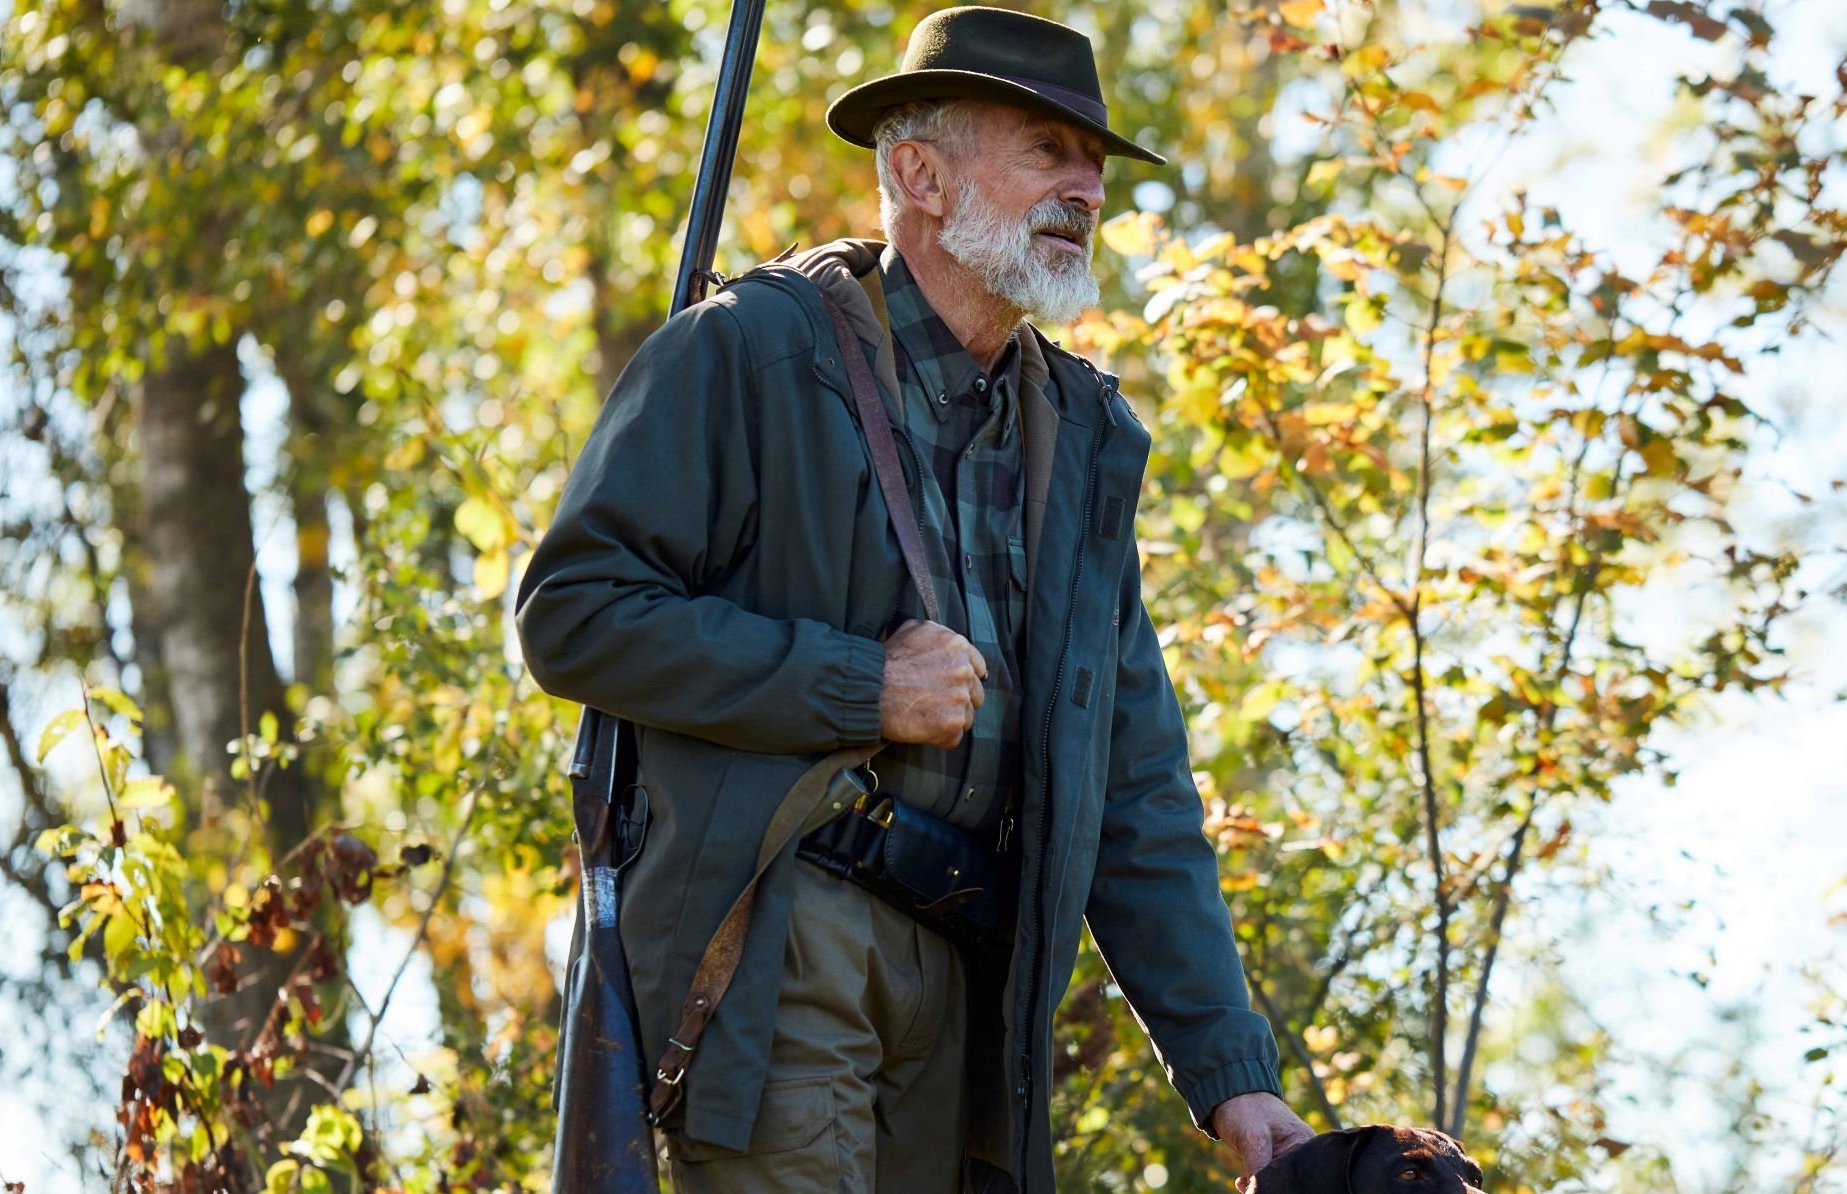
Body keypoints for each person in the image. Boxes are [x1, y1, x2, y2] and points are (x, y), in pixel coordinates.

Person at [514, 7, 1315, 1191]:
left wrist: (1231, 1075)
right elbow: (576, 611)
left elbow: (1135, 785)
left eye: (1094, 161)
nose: (1087, 186)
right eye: (1046, 149)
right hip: (786, 936)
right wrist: (861, 686)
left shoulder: (1084, 440)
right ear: (918, 176)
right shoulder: (749, 351)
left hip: (975, 992)